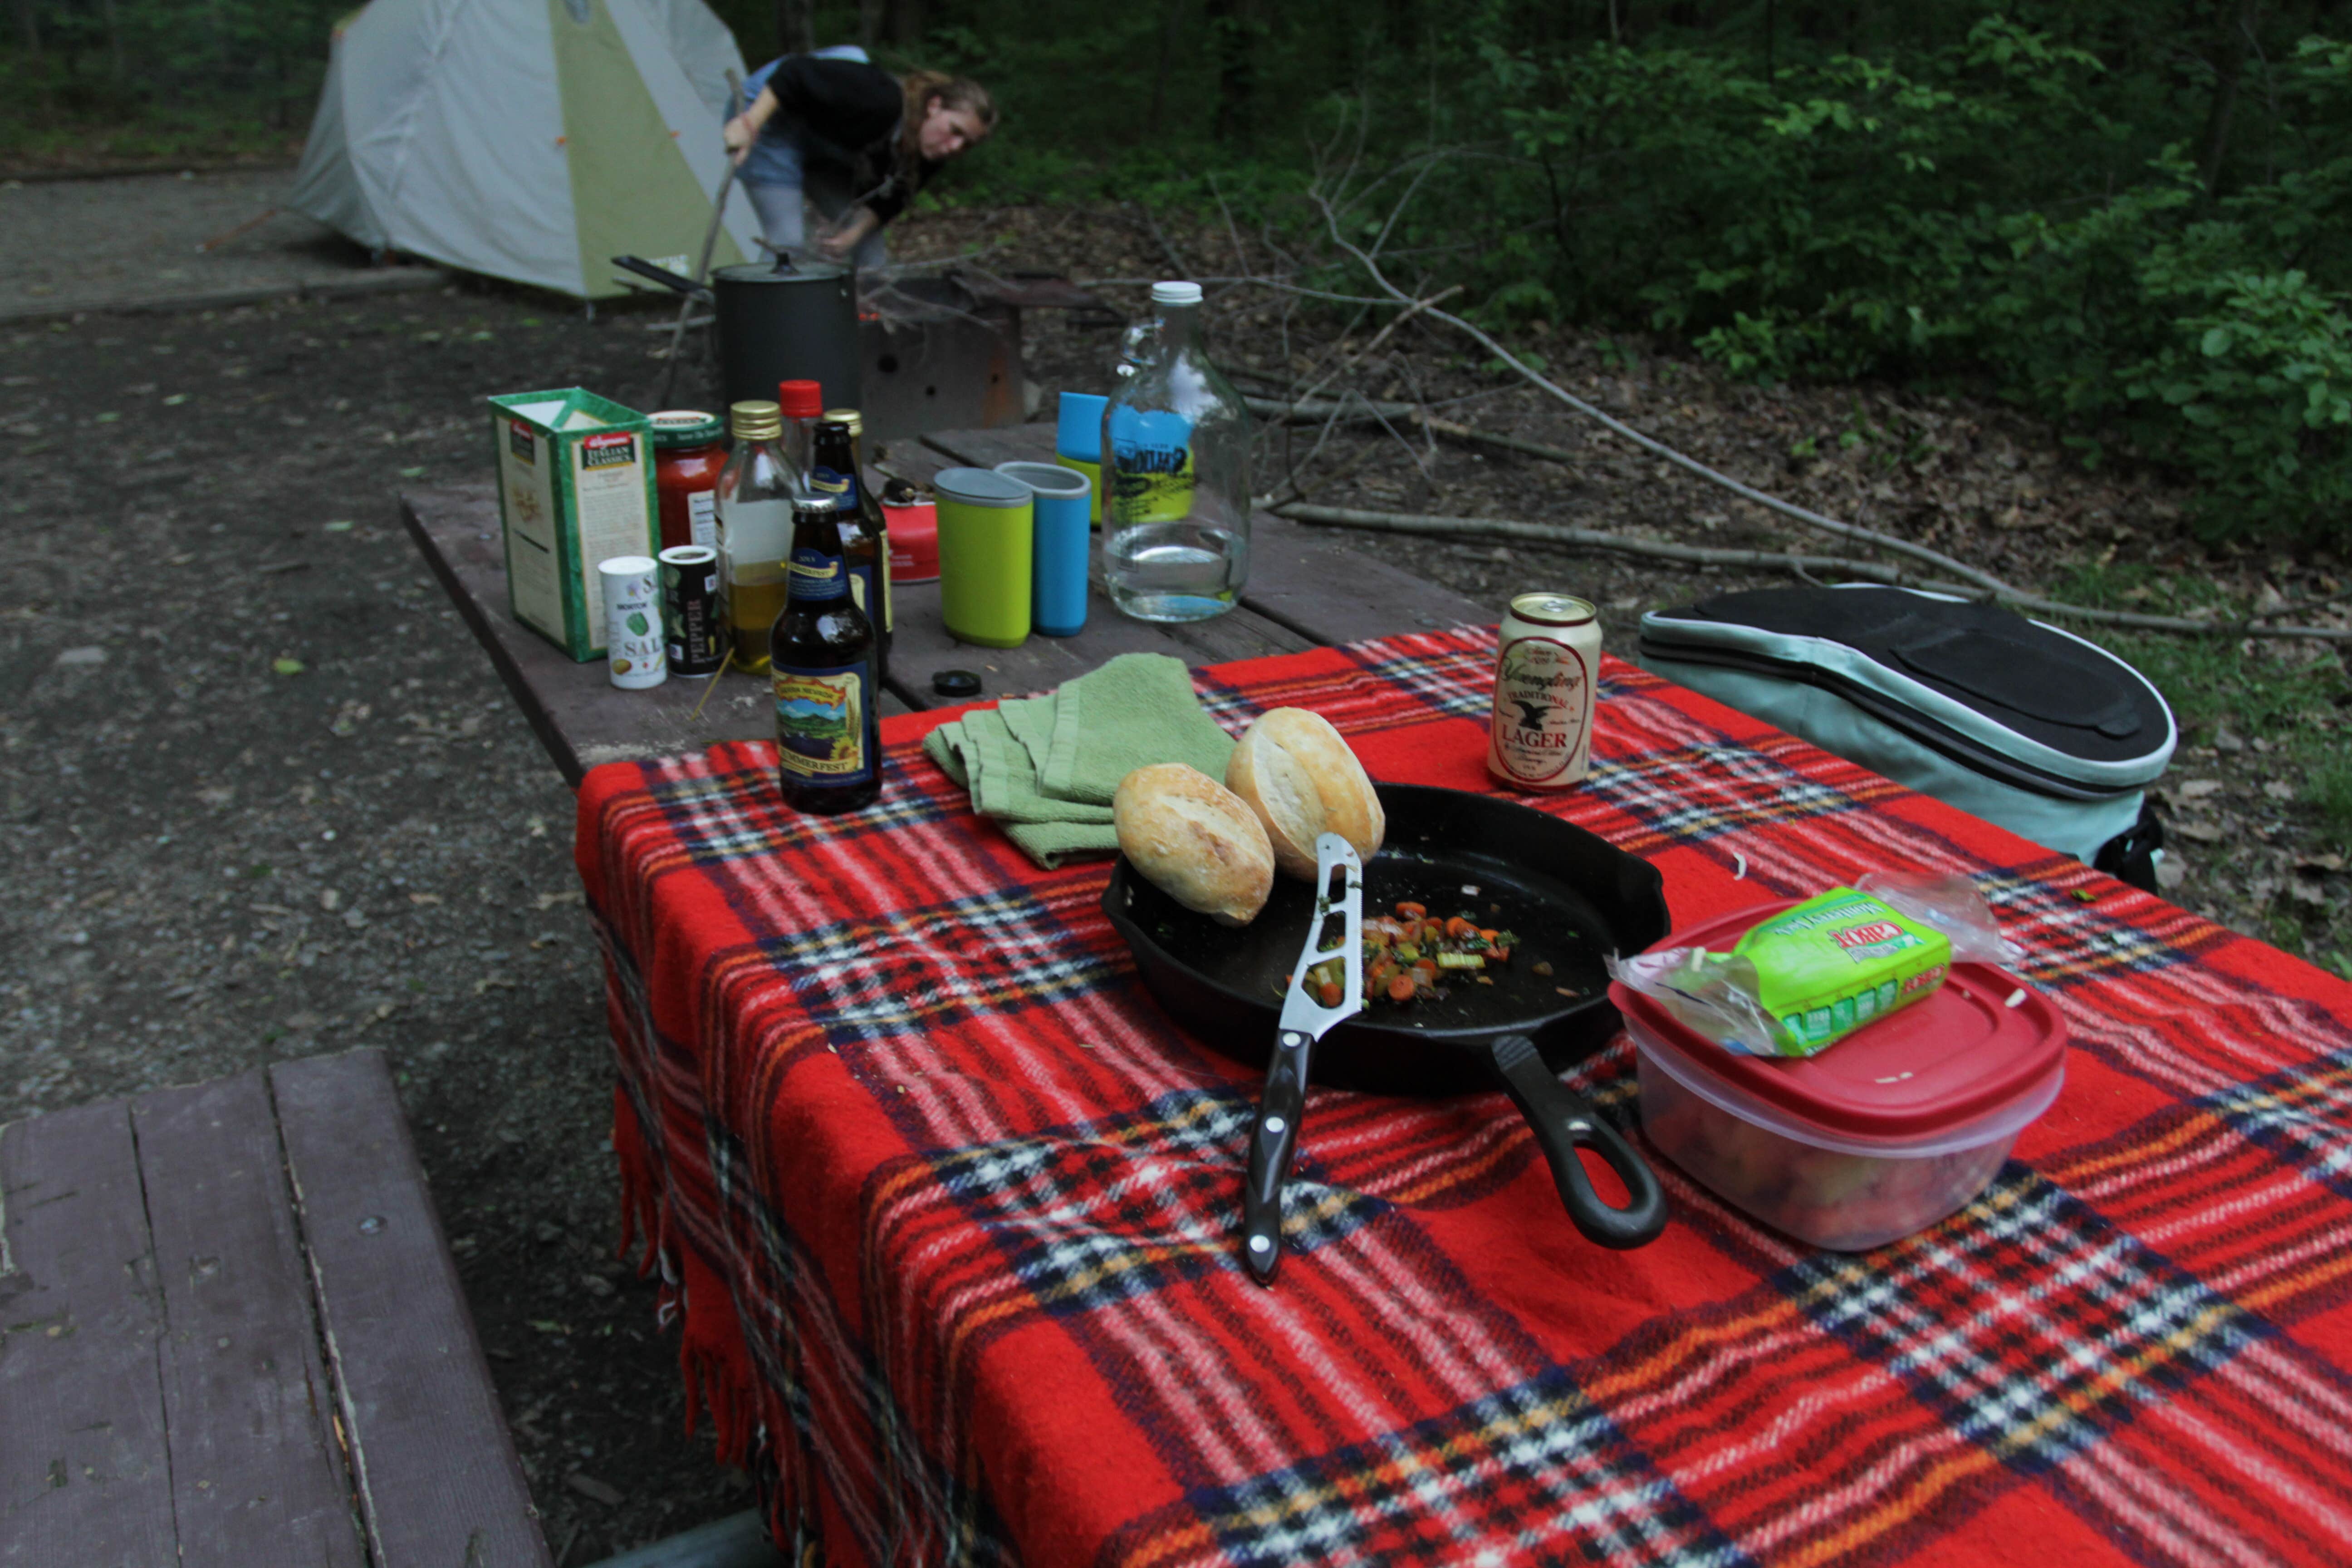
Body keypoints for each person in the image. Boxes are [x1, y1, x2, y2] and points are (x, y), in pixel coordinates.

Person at [723, 49, 995, 270]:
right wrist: (749, 125)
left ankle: (869, 322)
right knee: (788, 242)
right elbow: (793, 74)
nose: (955, 147)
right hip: (772, 113)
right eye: (955, 131)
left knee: (868, 240)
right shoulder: (879, 100)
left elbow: (891, 200)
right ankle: (765, 328)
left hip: (821, 139)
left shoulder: (933, 149)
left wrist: (851, 235)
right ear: (934, 106)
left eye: (967, 144)